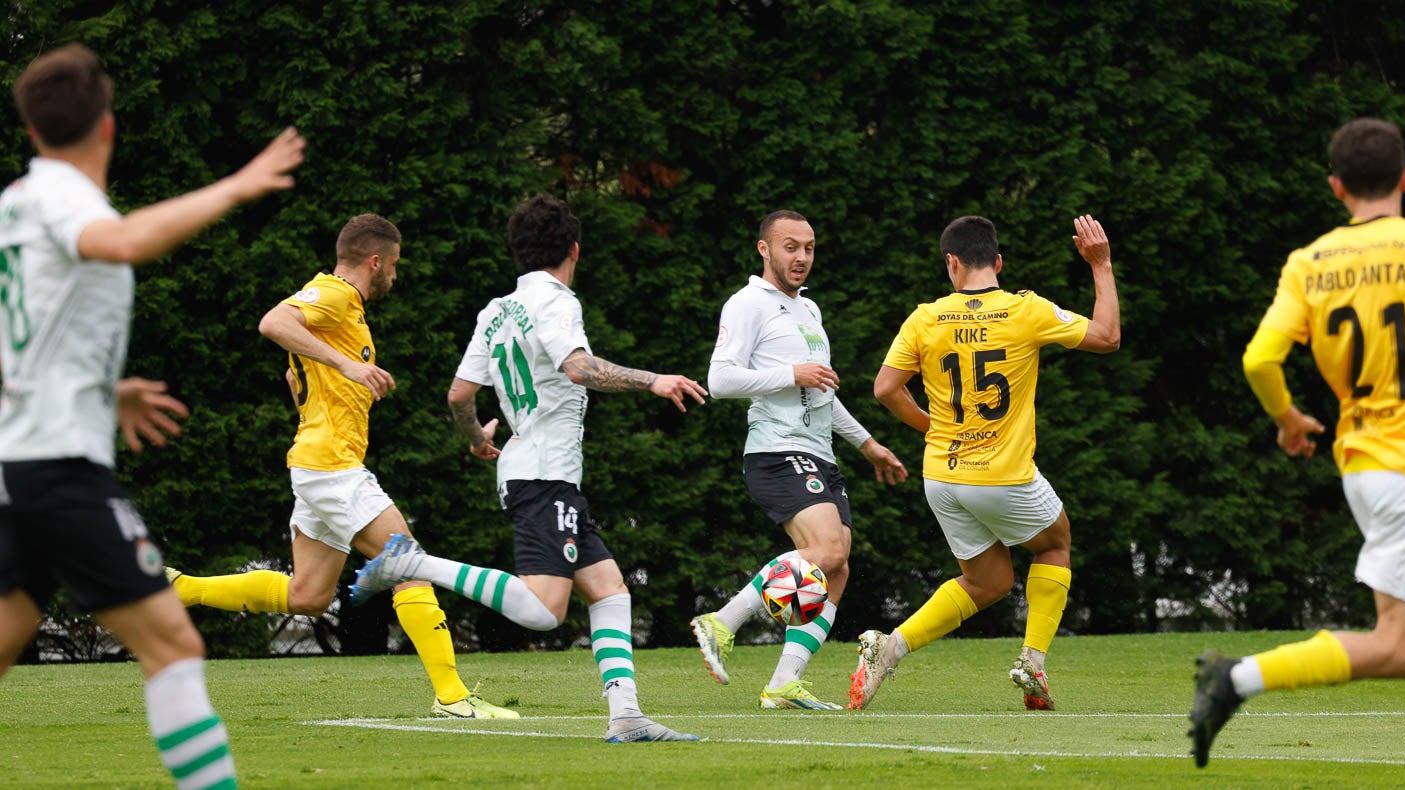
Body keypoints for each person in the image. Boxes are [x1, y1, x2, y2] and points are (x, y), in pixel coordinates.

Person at [0, 43, 305, 789]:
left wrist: (107, 389)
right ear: (107, 128)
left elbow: (27, 339)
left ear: (32, 130)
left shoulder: (14, 205)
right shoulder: (66, 199)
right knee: (173, 644)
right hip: (58, 473)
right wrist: (236, 185)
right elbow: (125, 241)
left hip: (20, 463)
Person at [167, 213, 558, 720]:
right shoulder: (332, 294)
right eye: (394, 265)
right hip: (330, 465)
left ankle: (180, 588)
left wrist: (321, 376)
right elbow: (273, 323)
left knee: (308, 595)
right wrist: (348, 365)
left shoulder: (344, 312)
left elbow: (297, 372)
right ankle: (453, 698)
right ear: (376, 261)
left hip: (317, 463)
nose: (395, 275)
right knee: (408, 562)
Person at [351, 192, 704, 743]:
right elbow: (580, 367)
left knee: (610, 591)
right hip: (544, 474)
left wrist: (476, 441)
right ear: (574, 250)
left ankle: (627, 717)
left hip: (534, 470)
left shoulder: (496, 310)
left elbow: (460, 395)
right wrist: (654, 380)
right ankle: (411, 564)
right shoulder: (557, 301)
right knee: (544, 610)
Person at [1189, 118, 1405, 767]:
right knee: (1399, 648)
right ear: (1404, 179)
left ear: (1335, 186)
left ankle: (1235, 679)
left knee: (1404, 650)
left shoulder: (1308, 263)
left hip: (1368, 464)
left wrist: (1289, 420)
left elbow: (1259, 360)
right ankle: (1234, 679)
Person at [849, 213, 1120, 712]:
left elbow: (885, 388)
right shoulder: (1026, 310)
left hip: (942, 477)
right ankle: (1032, 662)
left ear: (951, 263)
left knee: (989, 582)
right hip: (1001, 475)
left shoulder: (925, 317)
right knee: (1055, 543)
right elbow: (1107, 337)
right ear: (997, 262)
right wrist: (1099, 265)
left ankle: (889, 648)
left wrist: (930, 426)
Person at [689, 210, 909, 711]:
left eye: (809, 248)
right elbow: (720, 380)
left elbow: (822, 389)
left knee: (838, 568)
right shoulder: (747, 303)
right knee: (828, 549)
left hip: (818, 453)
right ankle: (721, 621)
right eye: (791, 247)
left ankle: (784, 684)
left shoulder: (809, 311)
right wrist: (791, 373)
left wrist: (867, 444)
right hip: (775, 449)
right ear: (763, 249)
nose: (802, 257)